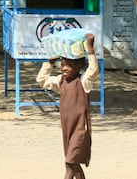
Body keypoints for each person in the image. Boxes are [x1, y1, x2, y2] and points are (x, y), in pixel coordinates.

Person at [36, 33, 99, 179]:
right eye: (62, 65)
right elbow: (41, 80)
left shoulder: (83, 81)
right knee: (73, 163)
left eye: (68, 65)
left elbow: (93, 71)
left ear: (79, 67)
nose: (64, 69)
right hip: (67, 129)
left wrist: (90, 49)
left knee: (70, 163)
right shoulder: (60, 81)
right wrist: (49, 62)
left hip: (79, 130)